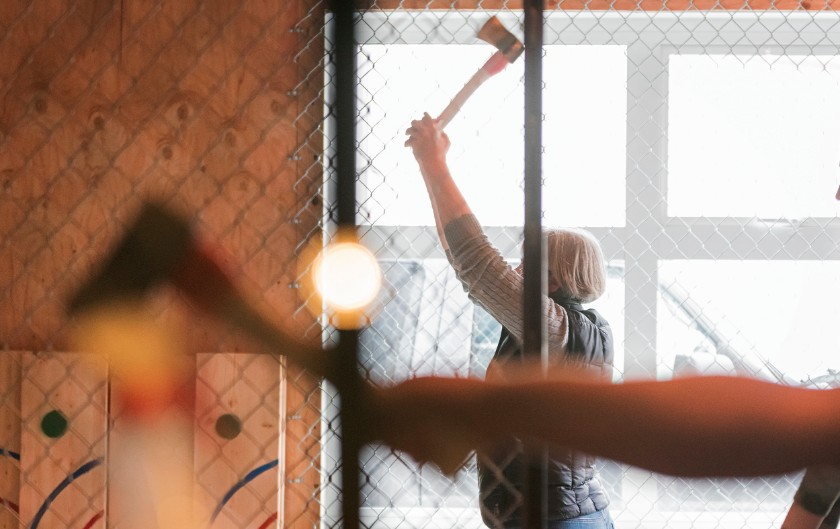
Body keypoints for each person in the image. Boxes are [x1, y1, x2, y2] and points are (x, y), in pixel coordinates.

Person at [403, 112, 616, 529]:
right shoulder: (565, 328)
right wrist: (428, 169)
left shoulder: (558, 330)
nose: (515, 270)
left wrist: (435, 164)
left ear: (554, 278)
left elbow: (478, 263)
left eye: (527, 262)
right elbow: (467, 266)